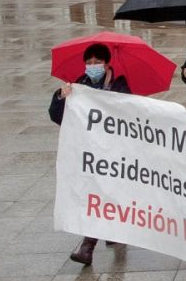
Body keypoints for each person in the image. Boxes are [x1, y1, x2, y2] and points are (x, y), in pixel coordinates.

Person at [50, 43, 131, 266]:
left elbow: (128, 114)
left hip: (114, 152)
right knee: (96, 193)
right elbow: (57, 116)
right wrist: (61, 96)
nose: (92, 66)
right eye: (89, 62)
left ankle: (89, 246)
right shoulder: (77, 86)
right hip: (89, 151)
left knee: (108, 191)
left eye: (97, 62)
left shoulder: (120, 85)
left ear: (107, 64)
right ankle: (99, 239)